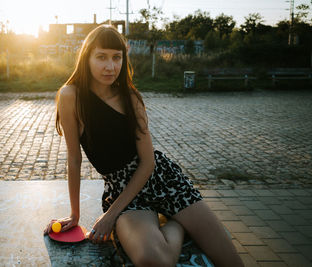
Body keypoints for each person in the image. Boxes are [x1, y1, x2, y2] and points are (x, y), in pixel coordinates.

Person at [44, 25, 243, 267]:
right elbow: (74, 159)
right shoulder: (71, 96)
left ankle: (175, 216)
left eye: (117, 57)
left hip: (163, 180)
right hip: (123, 193)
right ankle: (176, 225)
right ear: (86, 58)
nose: (110, 66)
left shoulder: (132, 99)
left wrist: (109, 217)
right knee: (153, 261)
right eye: (101, 57)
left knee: (232, 262)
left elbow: (148, 163)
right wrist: (76, 215)